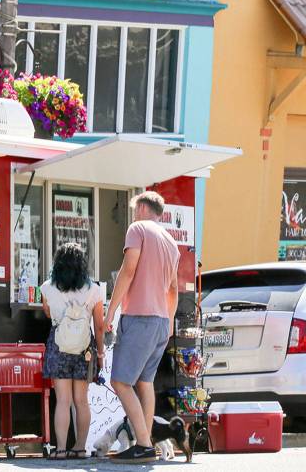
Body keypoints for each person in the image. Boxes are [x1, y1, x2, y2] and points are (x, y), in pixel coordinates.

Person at [104, 191, 180, 464]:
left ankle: (144, 444)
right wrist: (169, 322)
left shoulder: (137, 228)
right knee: (144, 382)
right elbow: (173, 289)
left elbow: (128, 269)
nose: (134, 215)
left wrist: (110, 310)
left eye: (136, 210)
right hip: (161, 320)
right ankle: (144, 441)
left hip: (139, 317)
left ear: (142, 209)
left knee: (120, 382)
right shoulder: (172, 242)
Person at [40, 242, 105, 460]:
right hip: (84, 349)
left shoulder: (47, 288)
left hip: (59, 347)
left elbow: (48, 315)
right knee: (81, 401)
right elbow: (99, 325)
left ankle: (60, 449)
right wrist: (101, 353)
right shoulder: (94, 290)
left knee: (63, 401)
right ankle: (79, 447)